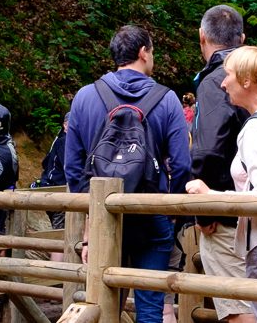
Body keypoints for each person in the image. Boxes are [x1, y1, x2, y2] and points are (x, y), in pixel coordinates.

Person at [62, 25, 191, 323]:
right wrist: (171, 208)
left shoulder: (85, 97)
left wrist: (91, 215)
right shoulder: (167, 99)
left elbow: (73, 167)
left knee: (103, 303)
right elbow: (182, 164)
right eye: (153, 51)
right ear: (143, 52)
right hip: (150, 214)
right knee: (149, 308)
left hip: (105, 216)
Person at [189, 4, 257, 323]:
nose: (226, 84)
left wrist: (206, 208)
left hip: (236, 217)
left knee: (240, 309)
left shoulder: (215, 81)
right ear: (242, 38)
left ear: (202, 37)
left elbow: (206, 150)